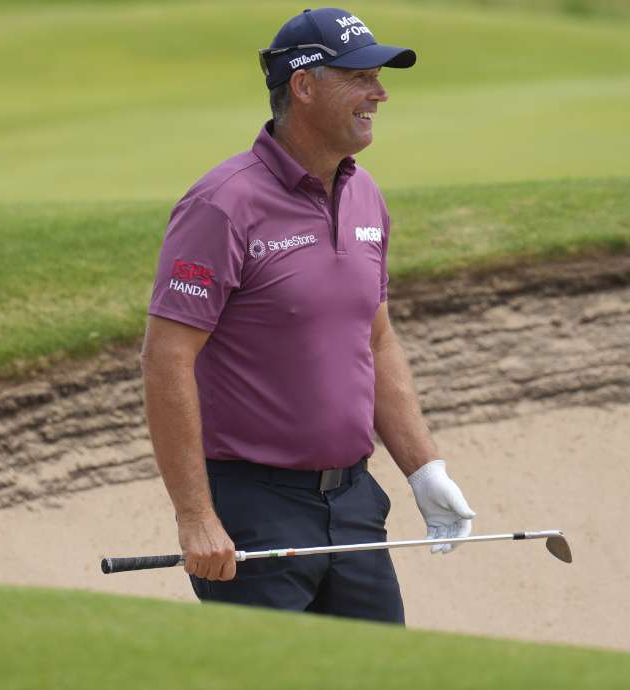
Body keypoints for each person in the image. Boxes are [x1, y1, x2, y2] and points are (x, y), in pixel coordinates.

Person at [140, 7, 476, 624]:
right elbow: (168, 357)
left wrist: (425, 469)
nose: (379, 91)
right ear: (303, 84)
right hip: (253, 507)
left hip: (353, 503)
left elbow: (374, 339)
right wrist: (195, 515)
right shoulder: (222, 204)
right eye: (359, 76)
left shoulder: (365, 193)